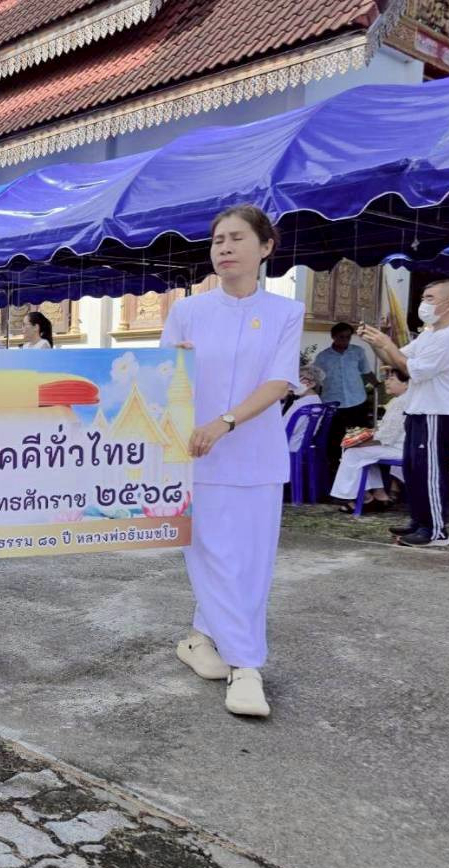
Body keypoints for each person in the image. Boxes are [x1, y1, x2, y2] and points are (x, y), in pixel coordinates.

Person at [159, 203, 302, 719]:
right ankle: (246, 667)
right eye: (218, 240)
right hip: (197, 456)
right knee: (212, 555)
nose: (224, 248)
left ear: (266, 248)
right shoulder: (188, 312)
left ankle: (200, 639)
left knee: (251, 564)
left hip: (257, 456)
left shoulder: (286, 312)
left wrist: (226, 421)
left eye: (237, 239)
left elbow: (278, 382)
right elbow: (160, 381)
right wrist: (180, 363)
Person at [359, 280, 449, 547]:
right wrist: (377, 341)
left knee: (431, 471)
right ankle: (419, 522)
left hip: (438, 413)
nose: (424, 303)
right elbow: (395, 359)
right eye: (423, 297)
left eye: (430, 298)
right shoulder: (430, 334)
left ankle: (436, 531)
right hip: (419, 410)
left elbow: (410, 369)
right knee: (414, 470)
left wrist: (387, 343)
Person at [331, 370, 408, 513]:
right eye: (387, 379)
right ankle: (379, 495)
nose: (387, 382)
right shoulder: (401, 400)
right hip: (399, 445)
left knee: (353, 452)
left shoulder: (401, 402)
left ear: (406, 384)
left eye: (391, 379)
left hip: (399, 448)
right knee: (363, 454)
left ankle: (354, 496)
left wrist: (360, 442)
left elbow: (387, 436)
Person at [314, 322, 377, 472]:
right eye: (341, 337)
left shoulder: (358, 352)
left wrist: (379, 387)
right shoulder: (322, 357)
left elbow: (366, 372)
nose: (345, 340)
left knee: (360, 439)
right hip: (334, 404)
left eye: (348, 337)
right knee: (335, 441)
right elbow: (317, 381)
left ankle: (359, 470)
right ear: (333, 337)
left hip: (357, 401)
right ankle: (336, 472)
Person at [284, 365, 324, 452]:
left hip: (291, 444)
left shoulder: (302, 405)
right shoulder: (316, 401)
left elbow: (286, 428)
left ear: (312, 384)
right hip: (303, 443)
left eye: (300, 378)